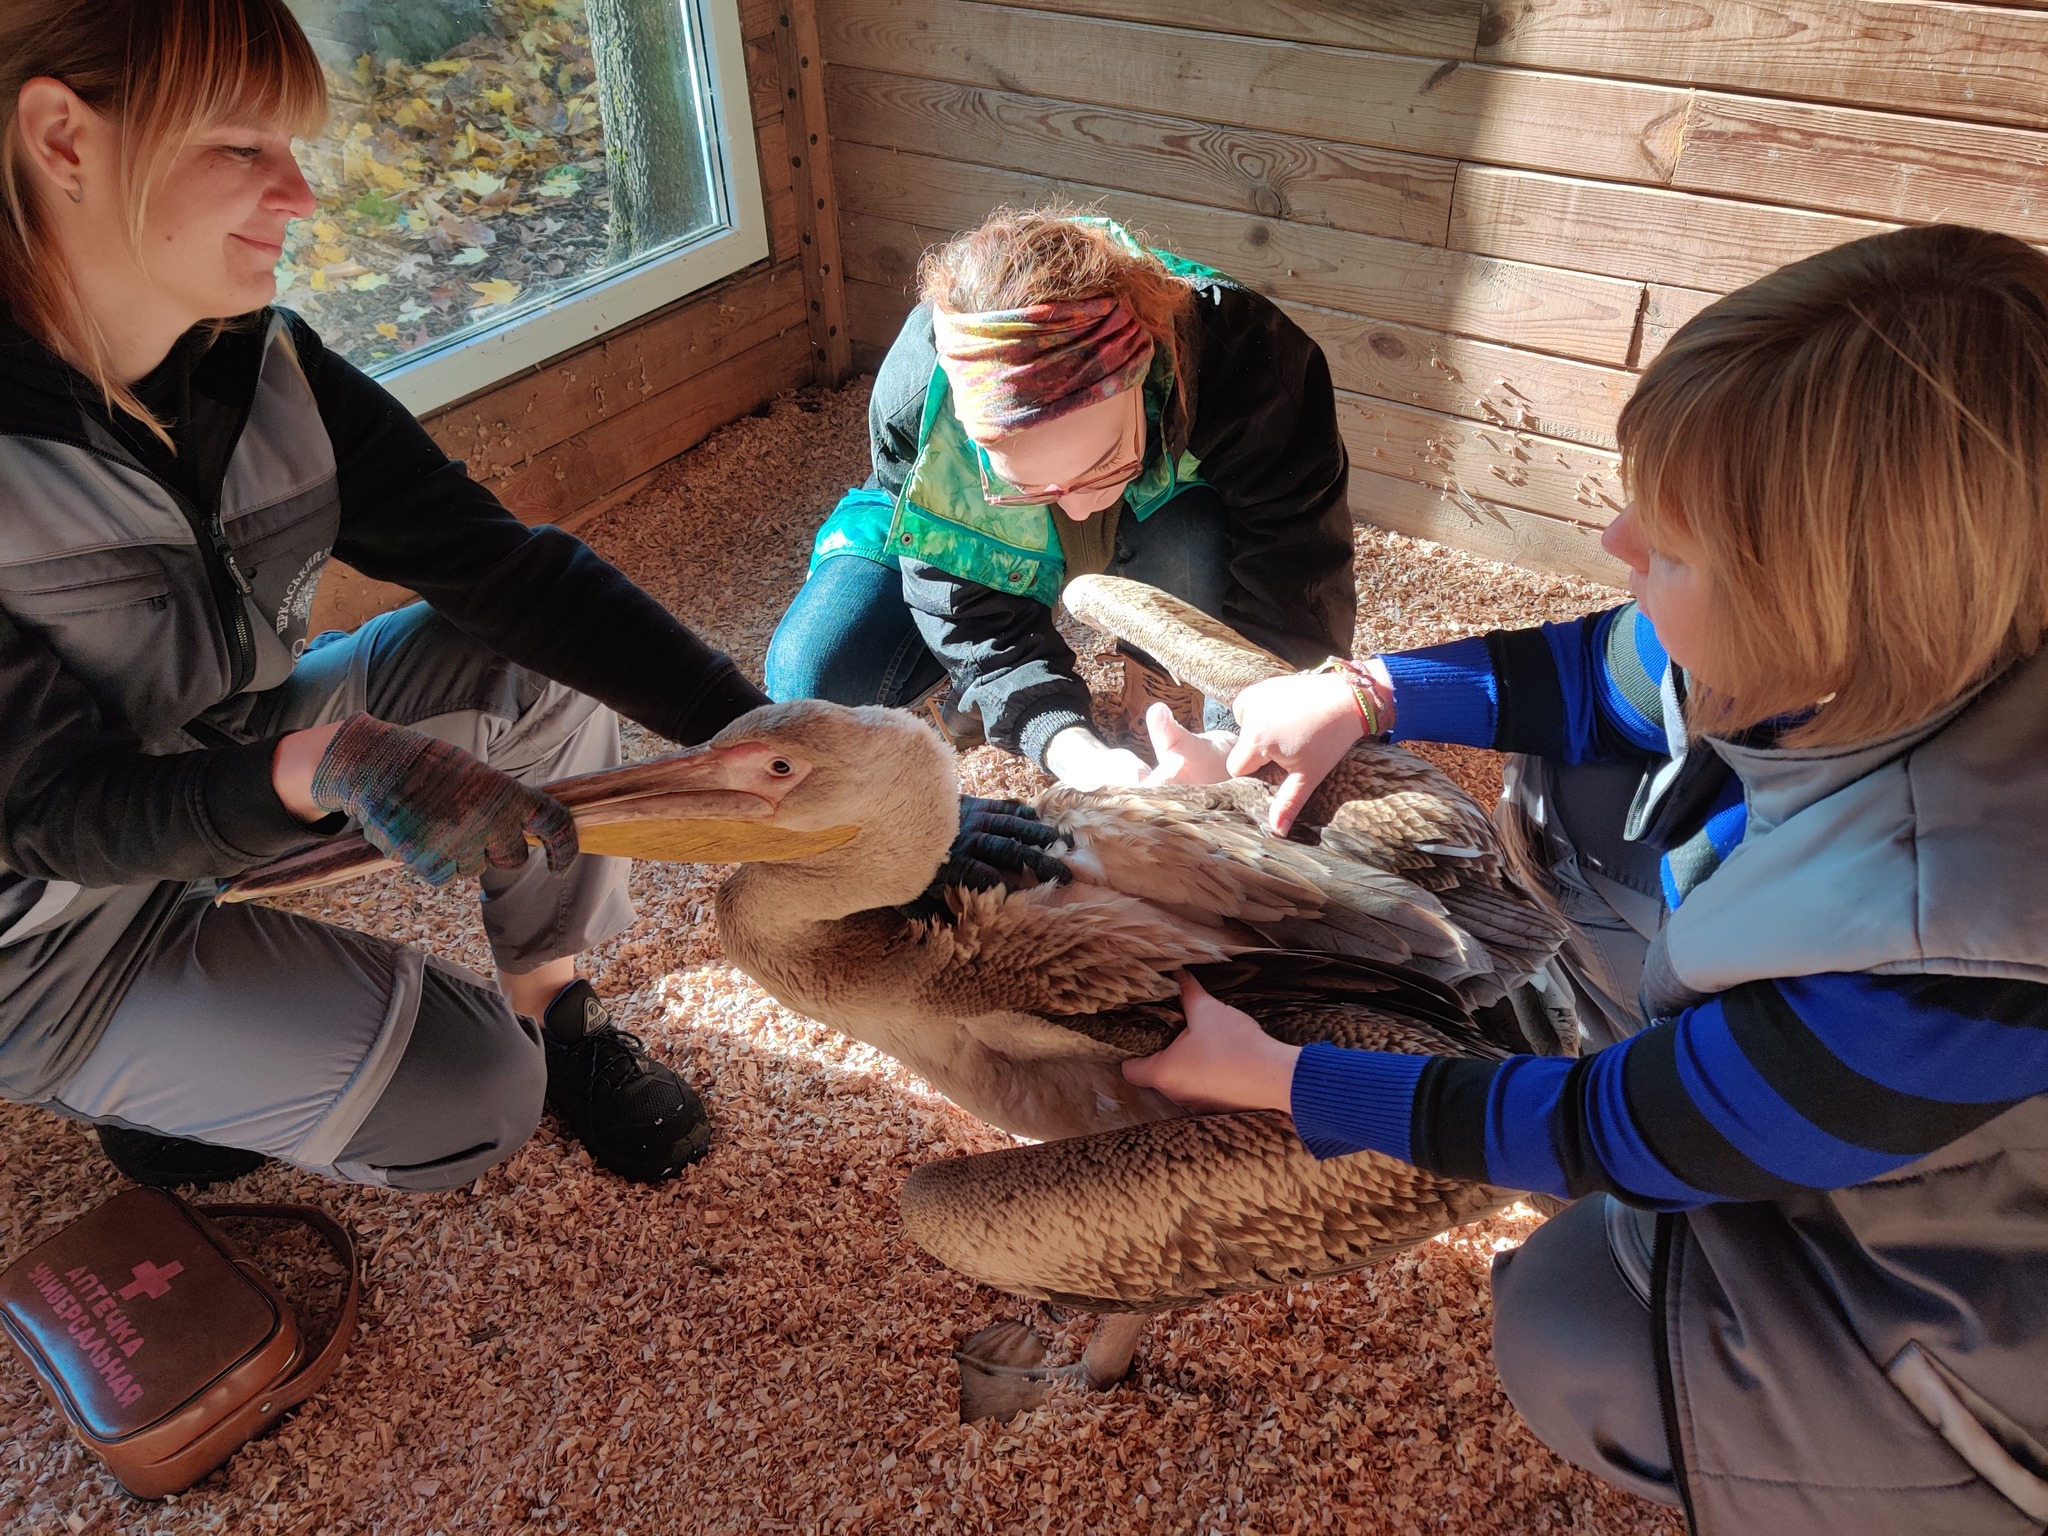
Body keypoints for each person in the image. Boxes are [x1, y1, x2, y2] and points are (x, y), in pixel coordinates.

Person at [0, 0, 1062, 1195]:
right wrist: (310, 772)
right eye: (241, 151)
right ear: (63, 140)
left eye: (294, 149)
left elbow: (509, 576)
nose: (299, 196)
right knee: (471, 1106)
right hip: (48, 915)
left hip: (237, 751)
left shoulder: (265, 360)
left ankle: (551, 1003)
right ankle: (144, 1078)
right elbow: (47, 806)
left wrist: (792, 765)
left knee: (531, 659)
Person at [1124, 225, 2048, 1533]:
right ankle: (1713, 1081)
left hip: (1992, 1314)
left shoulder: (1950, 951)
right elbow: (1611, 671)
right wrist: (1364, 689)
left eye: (1668, 550)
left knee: (1569, 1322)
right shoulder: (1922, 627)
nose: (1614, 540)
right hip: (1851, 1075)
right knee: (1578, 788)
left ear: (1826, 613)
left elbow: (1608, 1135)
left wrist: (1276, 1077)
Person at [763, 207, 1355, 790]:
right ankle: (982, 676)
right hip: (978, 524)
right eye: (1024, 483)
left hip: (1166, 510)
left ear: (1146, 373)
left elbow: (1295, 572)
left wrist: (1237, 739)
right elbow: (952, 591)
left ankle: (1161, 687)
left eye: (1105, 462)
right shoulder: (913, 399)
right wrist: (1068, 748)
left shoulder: (1252, 363)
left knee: (1186, 539)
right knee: (811, 678)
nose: (1075, 511)